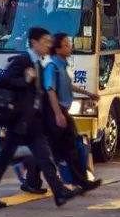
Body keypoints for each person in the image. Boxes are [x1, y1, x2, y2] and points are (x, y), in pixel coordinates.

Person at [0, 27, 72, 208]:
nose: (48, 45)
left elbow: (38, 94)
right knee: (4, 157)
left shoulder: (37, 63)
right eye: (45, 41)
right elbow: (2, 81)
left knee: (44, 156)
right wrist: (25, 80)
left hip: (32, 121)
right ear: (34, 42)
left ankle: (59, 192)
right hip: (18, 120)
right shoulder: (22, 61)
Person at [19, 33, 102, 194]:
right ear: (57, 49)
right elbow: (51, 91)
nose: (69, 47)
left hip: (61, 112)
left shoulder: (62, 65)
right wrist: (58, 114)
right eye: (66, 44)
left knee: (62, 148)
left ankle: (34, 179)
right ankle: (80, 181)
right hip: (55, 112)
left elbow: (68, 86)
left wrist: (88, 94)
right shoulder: (52, 66)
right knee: (62, 148)